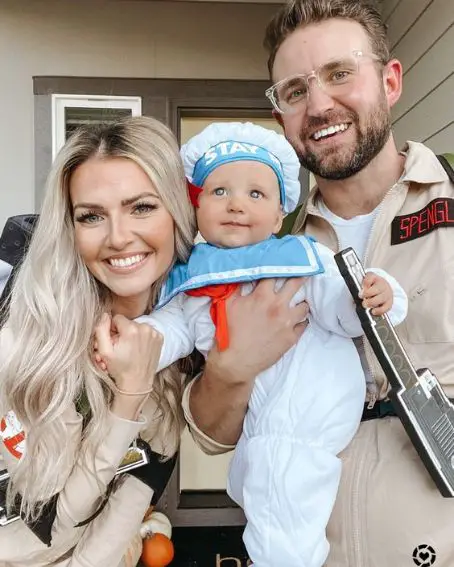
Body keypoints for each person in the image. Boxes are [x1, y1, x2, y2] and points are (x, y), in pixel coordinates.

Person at [184, 1, 454, 566]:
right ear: (280, 115)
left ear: (390, 80)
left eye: (339, 74)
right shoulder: (256, 253)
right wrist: (232, 370)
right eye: (294, 90)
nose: (319, 104)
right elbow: (212, 436)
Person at [131, 121, 407, 567]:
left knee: (282, 489)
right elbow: (173, 329)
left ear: (280, 216)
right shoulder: (194, 274)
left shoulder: (298, 257)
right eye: (220, 191)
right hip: (262, 414)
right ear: (196, 206)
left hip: (309, 396)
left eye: (256, 194)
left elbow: (341, 309)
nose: (237, 204)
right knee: (260, 483)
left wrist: (375, 297)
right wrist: (136, 342)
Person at [0, 116, 197, 567]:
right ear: (69, 227)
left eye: (142, 207)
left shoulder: (184, 332)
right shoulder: (27, 335)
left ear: (176, 214)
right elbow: (46, 521)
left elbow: (138, 489)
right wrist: (128, 398)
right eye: (91, 216)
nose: (118, 237)